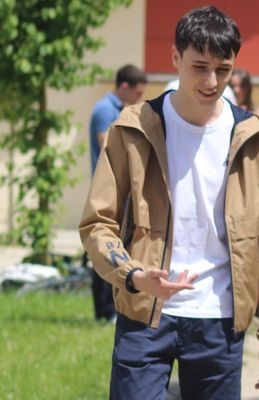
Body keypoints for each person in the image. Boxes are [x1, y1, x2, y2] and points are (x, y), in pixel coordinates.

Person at [79, 6, 259, 399]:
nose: (212, 82)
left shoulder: (254, 138)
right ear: (174, 58)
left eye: (223, 70)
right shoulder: (133, 127)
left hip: (219, 319)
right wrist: (134, 276)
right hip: (144, 312)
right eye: (199, 66)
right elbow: (98, 223)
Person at [87, 64, 147, 322]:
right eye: (137, 93)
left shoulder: (118, 110)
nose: (139, 99)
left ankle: (110, 308)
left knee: (119, 248)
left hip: (122, 190)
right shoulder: (105, 110)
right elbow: (108, 150)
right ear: (124, 87)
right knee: (103, 248)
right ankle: (104, 311)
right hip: (107, 190)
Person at [164, 77, 237, 105]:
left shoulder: (227, 91)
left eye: (222, 69)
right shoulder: (173, 87)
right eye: (200, 67)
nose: (212, 84)